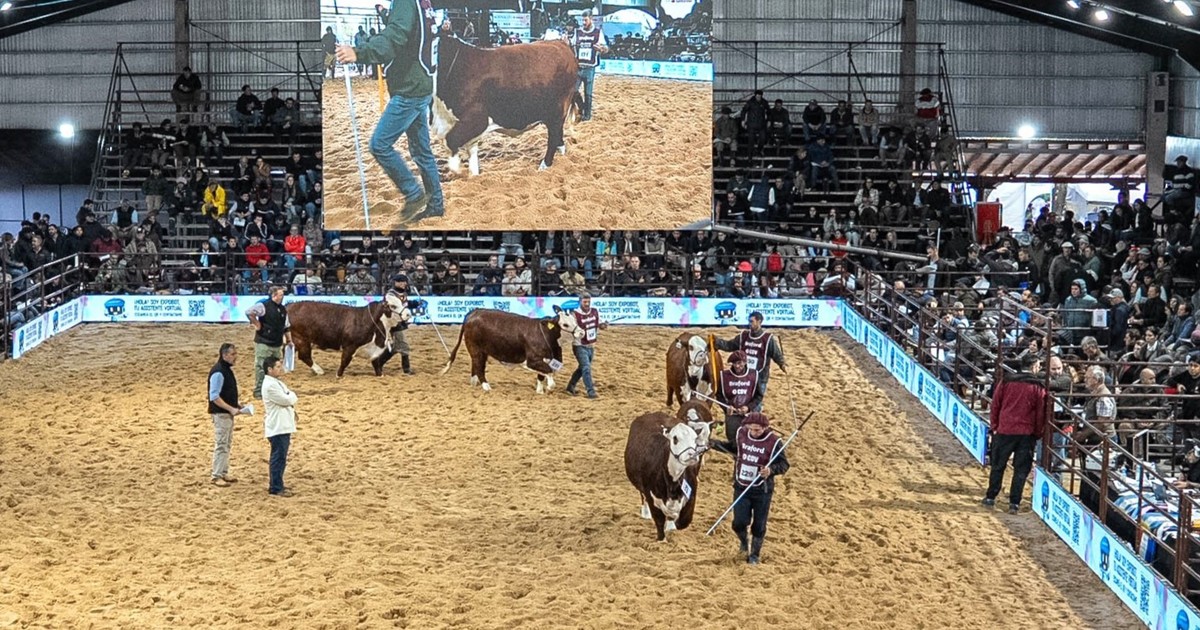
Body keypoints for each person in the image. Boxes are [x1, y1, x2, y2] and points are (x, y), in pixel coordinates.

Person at [336, 1, 444, 221]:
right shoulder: (421, 2)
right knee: (422, 152)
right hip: (422, 83)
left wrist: (359, 52)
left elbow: (395, 37)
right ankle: (435, 204)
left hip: (408, 89)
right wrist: (385, 13)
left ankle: (413, 194)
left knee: (379, 145)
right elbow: (406, 26)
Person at [982, 356, 1048, 513]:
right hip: (1026, 432)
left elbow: (996, 404)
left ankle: (991, 496)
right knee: (1021, 469)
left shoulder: (1006, 381)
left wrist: (995, 425)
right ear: (1034, 366)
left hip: (1005, 429)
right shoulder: (1037, 386)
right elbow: (1040, 412)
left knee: (998, 465)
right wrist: (1038, 432)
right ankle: (1014, 502)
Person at [731, 412, 789, 565]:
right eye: (751, 429)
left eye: (757, 430)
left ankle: (755, 554)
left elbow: (784, 465)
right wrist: (714, 444)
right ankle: (744, 542)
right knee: (738, 522)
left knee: (759, 525)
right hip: (741, 486)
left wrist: (771, 470)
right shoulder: (742, 434)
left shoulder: (774, 442)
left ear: (765, 428)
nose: (754, 432)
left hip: (762, 490)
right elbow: (734, 449)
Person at [715, 311, 787, 401]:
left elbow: (776, 354)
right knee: (742, 401)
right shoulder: (743, 336)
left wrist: (782, 365)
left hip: (760, 377)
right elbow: (729, 345)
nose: (749, 324)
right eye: (749, 321)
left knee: (755, 402)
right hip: (743, 376)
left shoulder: (768, 339)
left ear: (759, 322)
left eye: (752, 321)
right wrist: (717, 342)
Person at [208, 343, 251, 487]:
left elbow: (223, 393)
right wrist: (231, 408)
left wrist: (236, 404)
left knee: (226, 443)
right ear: (224, 355)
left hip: (226, 413)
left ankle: (223, 472)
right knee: (221, 444)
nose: (235, 357)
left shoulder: (225, 370)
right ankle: (216, 475)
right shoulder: (219, 372)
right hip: (221, 414)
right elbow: (214, 396)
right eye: (233, 354)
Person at [711, 351, 761, 454]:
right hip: (732, 417)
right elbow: (719, 395)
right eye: (734, 363)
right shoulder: (724, 376)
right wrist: (726, 408)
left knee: (749, 442)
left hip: (749, 416)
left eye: (740, 363)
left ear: (745, 362)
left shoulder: (754, 375)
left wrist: (748, 407)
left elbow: (758, 396)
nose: (737, 366)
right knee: (734, 443)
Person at [261, 356, 298, 497]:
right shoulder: (270, 385)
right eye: (277, 367)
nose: (280, 369)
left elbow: (288, 397)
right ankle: (276, 487)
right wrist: (291, 396)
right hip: (278, 426)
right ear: (269, 369)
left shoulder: (276, 382)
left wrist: (290, 396)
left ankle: (278, 484)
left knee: (281, 457)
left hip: (282, 425)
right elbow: (287, 399)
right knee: (278, 457)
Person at [246, 286, 292, 399]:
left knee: (276, 367)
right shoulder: (263, 306)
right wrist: (256, 323)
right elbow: (248, 312)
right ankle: (258, 391)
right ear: (274, 295)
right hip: (264, 342)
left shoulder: (283, 309)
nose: (282, 297)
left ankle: (272, 390)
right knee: (261, 367)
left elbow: (286, 326)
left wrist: (289, 340)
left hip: (277, 343)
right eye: (281, 295)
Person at [565, 292, 608, 398]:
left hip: (591, 345)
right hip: (579, 345)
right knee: (586, 368)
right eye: (585, 302)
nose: (587, 304)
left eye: (588, 302)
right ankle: (590, 391)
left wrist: (603, 325)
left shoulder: (594, 312)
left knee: (582, 368)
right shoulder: (574, 314)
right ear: (580, 302)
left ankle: (570, 386)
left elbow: (599, 324)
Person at [572, 11, 608, 122]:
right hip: (578, 66)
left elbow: (606, 48)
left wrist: (602, 49)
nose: (583, 22)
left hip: (590, 67)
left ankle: (587, 116)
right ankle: (582, 108)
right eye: (582, 20)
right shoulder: (577, 32)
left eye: (585, 20)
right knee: (573, 91)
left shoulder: (598, 33)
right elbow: (571, 44)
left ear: (591, 19)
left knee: (588, 94)